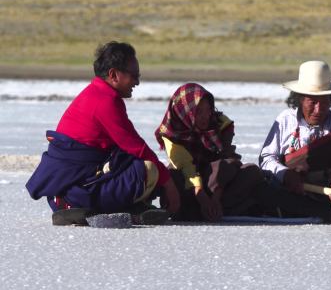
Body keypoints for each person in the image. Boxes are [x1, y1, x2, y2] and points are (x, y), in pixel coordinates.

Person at [26, 41, 180, 225]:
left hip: (79, 180)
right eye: (134, 75)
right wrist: (168, 184)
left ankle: (126, 205)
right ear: (114, 74)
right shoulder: (104, 101)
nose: (137, 82)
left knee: (133, 163)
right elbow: (136, 147)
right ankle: (77, 204)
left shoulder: (98, 93)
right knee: (149, 170)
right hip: (75, 189)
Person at [259, 60, 331, 222]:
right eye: (312, 102)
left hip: (326, 192)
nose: (318, 110)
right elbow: (266, 159)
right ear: (300, 99)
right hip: (290, 189)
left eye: (324, 101)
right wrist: (286, 174)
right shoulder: (285, 120)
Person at [155, 83, 266, 221]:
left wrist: (215, 198)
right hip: (191, 185)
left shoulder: (220, 125)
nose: (206, 116)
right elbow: (187, 168)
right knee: (173, 176)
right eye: (199, 112)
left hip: (217, 183)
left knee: (251, 171)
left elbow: (228, 159)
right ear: (186, 111)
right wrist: (203, 199)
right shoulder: (172, 132)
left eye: (208, 110)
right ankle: (207, 210)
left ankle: (213, 209)